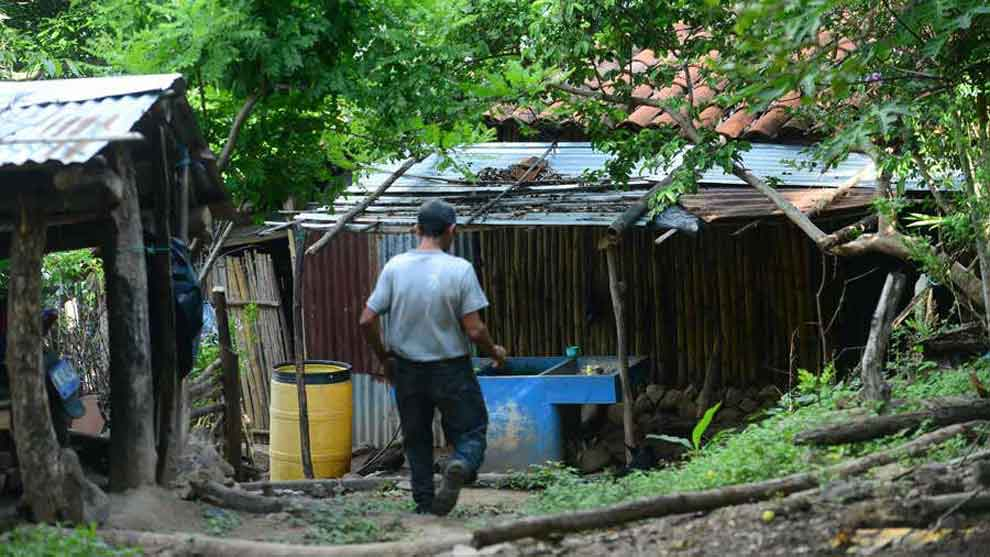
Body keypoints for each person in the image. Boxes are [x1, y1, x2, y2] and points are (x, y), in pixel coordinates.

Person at [359, 200, 507, 516]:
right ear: (451, 230)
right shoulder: (460, 270)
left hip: (407, 369)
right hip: (451, 369)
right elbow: (475, 330)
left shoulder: (395, 266)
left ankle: (425, 505)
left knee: (417, 438)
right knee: (471, 431)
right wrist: (494, 352)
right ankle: (460, 464)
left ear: (416, 229)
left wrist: (384, 356)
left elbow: (366, 320)